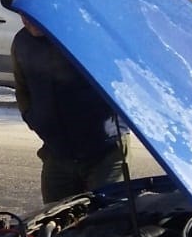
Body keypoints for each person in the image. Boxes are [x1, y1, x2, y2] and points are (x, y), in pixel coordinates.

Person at [11, 13, 127, 204]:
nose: (27, 19)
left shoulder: (87, 36)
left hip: (105, 151)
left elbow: (122, 81)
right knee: (56, 216)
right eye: (23, 14)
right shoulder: (22, 42)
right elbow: (22, 88)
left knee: (105, 216)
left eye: (33, 14)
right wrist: (33, 119)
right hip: (57, 152)